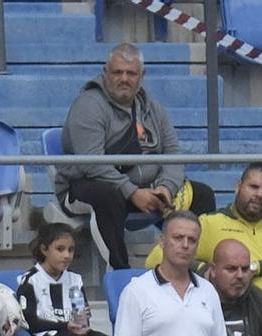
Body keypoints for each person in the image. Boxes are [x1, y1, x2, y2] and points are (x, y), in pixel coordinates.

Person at [51, 45, 205, 270]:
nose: (124, 79)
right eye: (117, 72)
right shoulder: (89, 106)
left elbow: (173, 154)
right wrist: (131, 192)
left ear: (142, 76)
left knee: (202, 195)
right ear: (106, 72)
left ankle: (189, 269)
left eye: (131, 73)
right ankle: (120, 272)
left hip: (144, 188)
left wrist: (166, 188)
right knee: (108, 195)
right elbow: (91, 163)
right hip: (88, 187)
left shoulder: (154, 108)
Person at [146, 163, 262, 336]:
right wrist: (203, 269)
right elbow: (157, 256)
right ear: (238, 187)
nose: (259, 194)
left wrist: (256, 267)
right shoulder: (212, 223)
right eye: (253, 187)